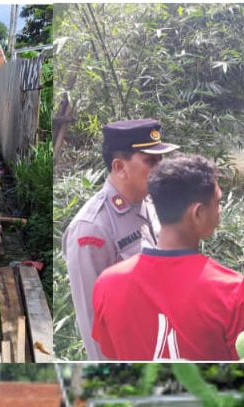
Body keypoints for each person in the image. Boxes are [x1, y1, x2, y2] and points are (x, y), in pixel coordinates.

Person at [92, 154, 244, 360]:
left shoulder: (107, 284)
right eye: (218, 202)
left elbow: (110, 354)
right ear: (198, 214)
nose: (220, 211)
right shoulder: (230, 290)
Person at [62, 119, 177, 360]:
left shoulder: (149, 203)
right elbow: (93, 321)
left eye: (161, 160)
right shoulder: (92, 229)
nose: (161, 168)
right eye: (151, 162)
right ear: (120, 167)